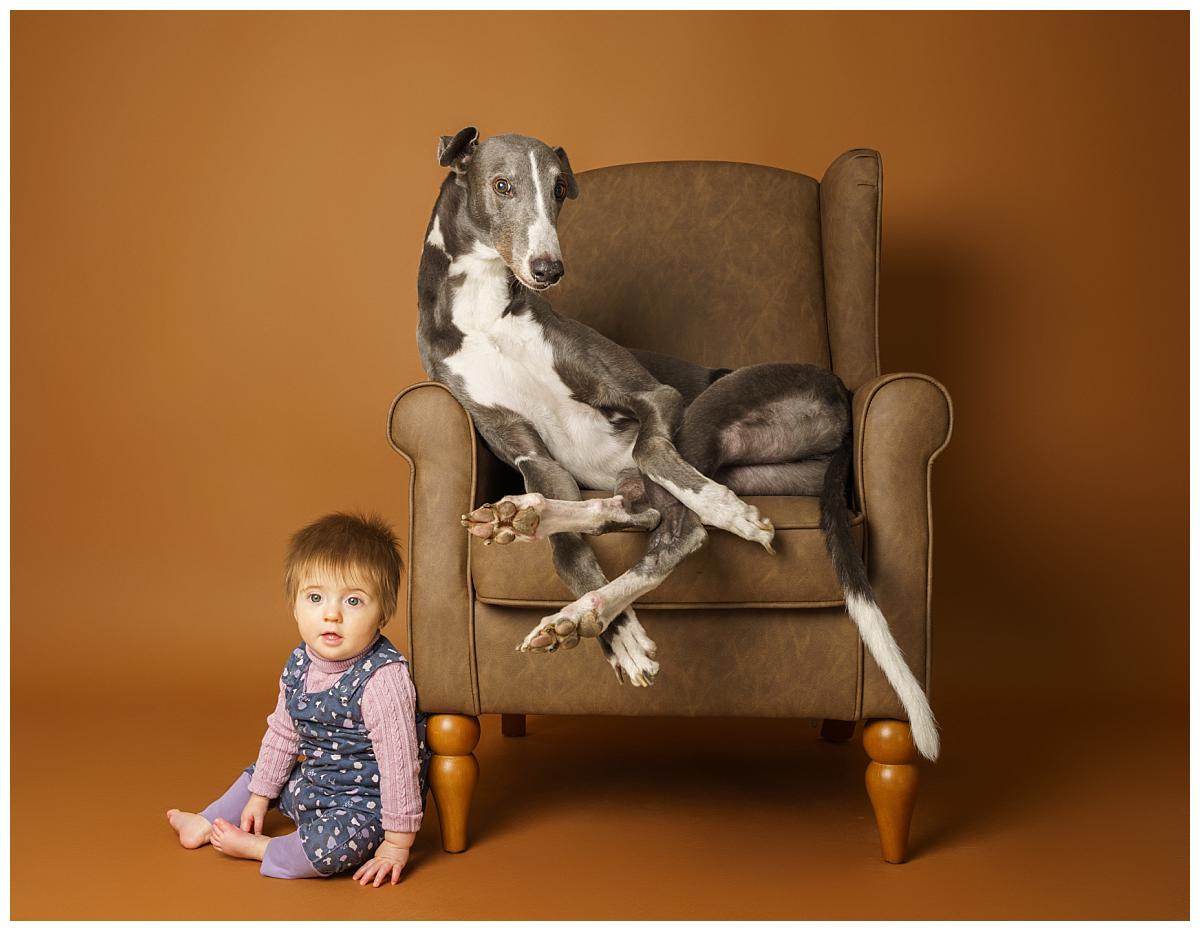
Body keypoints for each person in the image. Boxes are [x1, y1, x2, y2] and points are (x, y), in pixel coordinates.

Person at [167, 512, 430, 886]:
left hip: (364, 804)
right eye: (316, 597)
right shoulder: (300, 663)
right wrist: (259, 798)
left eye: (353, 601)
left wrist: (396, 844)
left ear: (383, 612)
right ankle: (206, 821)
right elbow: (283, 734)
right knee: (261, 770)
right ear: (294, 605)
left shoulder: (382, 679)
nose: (332, 614)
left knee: (332, 847)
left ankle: (260, 849)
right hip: (315, 782)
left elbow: (401, 764)